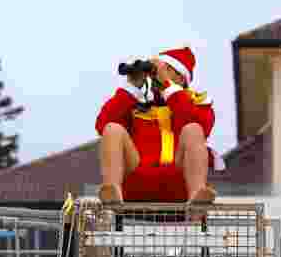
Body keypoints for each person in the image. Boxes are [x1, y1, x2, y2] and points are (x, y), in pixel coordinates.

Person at [95, 46, 222, 205]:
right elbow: (102, 125)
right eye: (155, 70)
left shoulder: (197, 104)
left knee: (193, 129)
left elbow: (198, 124)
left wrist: (168, 87)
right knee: (112, 129)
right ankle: (112, 193)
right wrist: (132, 88)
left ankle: (197, 197)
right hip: (136, 184)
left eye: (166, 69)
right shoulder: (136, 105)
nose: (157, 75)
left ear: (182, 78)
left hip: (181, 183)